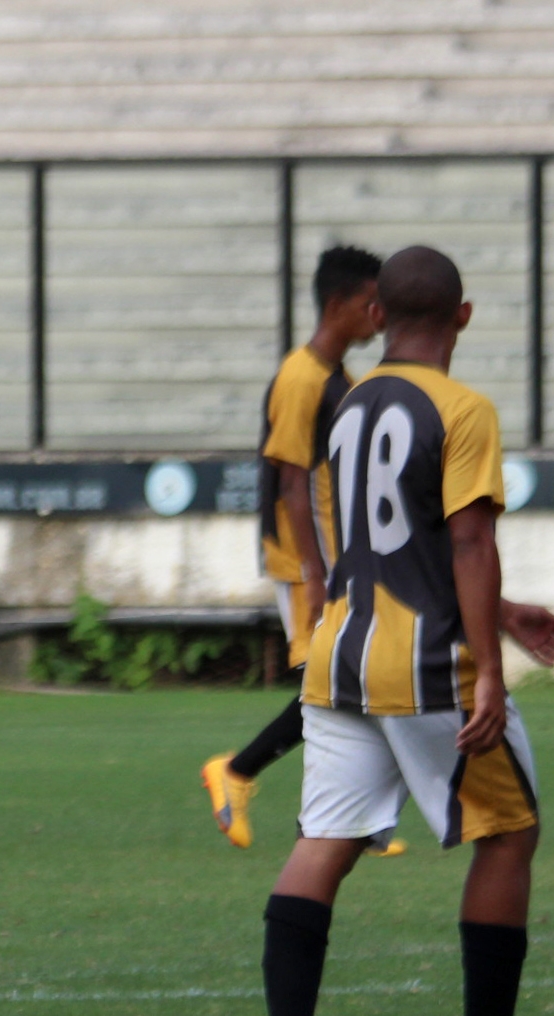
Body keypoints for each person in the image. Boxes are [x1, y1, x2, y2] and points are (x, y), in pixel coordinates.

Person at [252, 245, 554, 1016]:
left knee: (325, 841)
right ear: (462, 318)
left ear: (377, 319)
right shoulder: (463, 408)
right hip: (428, 663)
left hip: (339, 656)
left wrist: (508, 611)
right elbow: (466, 540)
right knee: (509, 833)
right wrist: (493, 672)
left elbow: (385, 541)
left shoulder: (347, 403)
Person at [202, 246, 391, 850]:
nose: (379, 316)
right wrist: (314, 574)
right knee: (330, 687)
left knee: (347, 683)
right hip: (306, 560)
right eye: (371, 304)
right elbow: (290, 481)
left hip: (337, 558)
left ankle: (345, 818)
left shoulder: (341, 381)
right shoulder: (300, 378)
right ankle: (237, 774)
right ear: (339, 304)